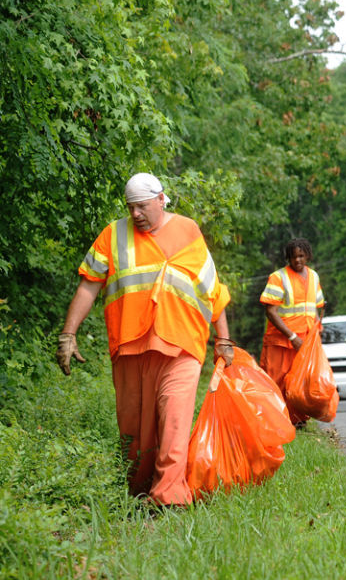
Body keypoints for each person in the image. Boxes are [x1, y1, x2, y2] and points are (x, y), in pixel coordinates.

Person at [55, 172, 234, 507]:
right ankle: (138, 492)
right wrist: (68, 334)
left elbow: (212, 289)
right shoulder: (113, 235)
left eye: (142, 206)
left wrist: (223, 340)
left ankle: (169, 498)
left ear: (161, 200)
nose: (136, 213)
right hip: (130, 346)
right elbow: (89, 285)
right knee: (135, 432)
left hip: (181, 344)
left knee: (174, 420)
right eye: (130, 207)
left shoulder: (187, 231)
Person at [259, 238, 325, 428]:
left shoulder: (314, 277)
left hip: (305, 341)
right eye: (294, 257)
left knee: (301, 381)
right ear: (288, 258)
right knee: (276, 381)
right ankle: (274, 423)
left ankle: (298, 421)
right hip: (281, 341)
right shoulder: (278, 277)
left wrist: (315, 334)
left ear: (308, 256)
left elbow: (316, 309)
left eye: (301, 256)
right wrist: (292, 336)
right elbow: (270, 311)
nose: (298, 260)